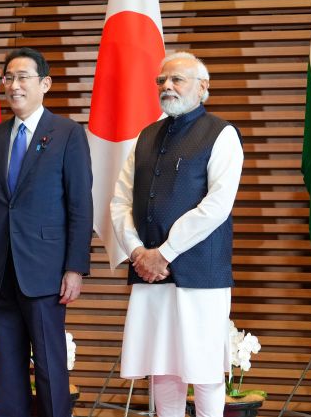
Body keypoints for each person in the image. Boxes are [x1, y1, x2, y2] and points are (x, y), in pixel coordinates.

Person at [110, 51, 244, 417]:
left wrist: (163, 253)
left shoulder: (222, 134)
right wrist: (139, 252)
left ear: (203, 88)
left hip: (200, 275)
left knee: (203, 369)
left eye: (177, 79)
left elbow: (217, 205)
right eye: (161, 81)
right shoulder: (146, 135)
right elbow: (120, 201)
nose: (166, 86)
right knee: (162, 367)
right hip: (149, 273)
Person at [0, 47, 93, 417]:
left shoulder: (67, 133)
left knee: (48, 366)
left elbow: (79, 206)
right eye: (8, 77)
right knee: (6, 370)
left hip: (46, 272)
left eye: (23, 77)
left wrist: (75, 267)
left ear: (45, 84)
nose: (14, 85)